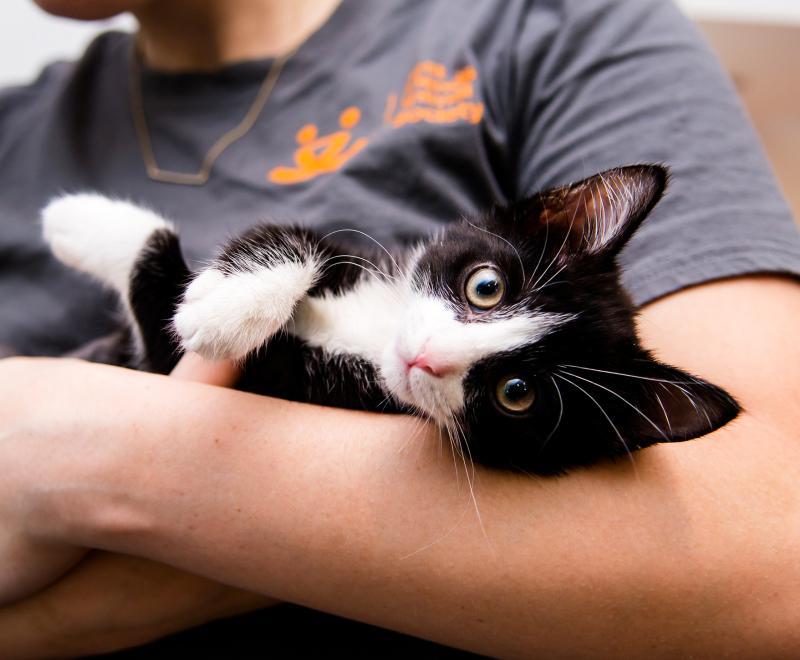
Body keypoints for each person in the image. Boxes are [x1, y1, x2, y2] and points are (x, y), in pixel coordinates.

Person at [1, 0, 800, 656]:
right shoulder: (14, 127)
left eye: (516, 390)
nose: (435, 352)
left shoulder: (549, 26)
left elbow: (774, 552)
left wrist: (99, 457)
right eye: (485, 289)